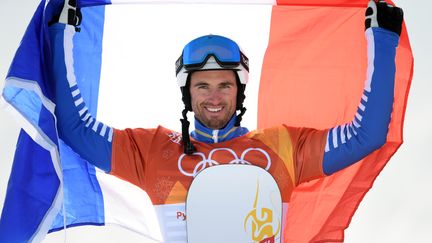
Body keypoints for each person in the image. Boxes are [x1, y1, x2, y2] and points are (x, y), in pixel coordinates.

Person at [50, 0, 403, 242]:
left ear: (240, 90)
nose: (214, 97)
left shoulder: (283, 147)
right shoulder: (153, 150)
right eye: (202, 86)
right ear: (187, 94)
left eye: (224, 85)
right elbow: (75, 128)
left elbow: (365, 135)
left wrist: (383, 39)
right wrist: (62, 31)